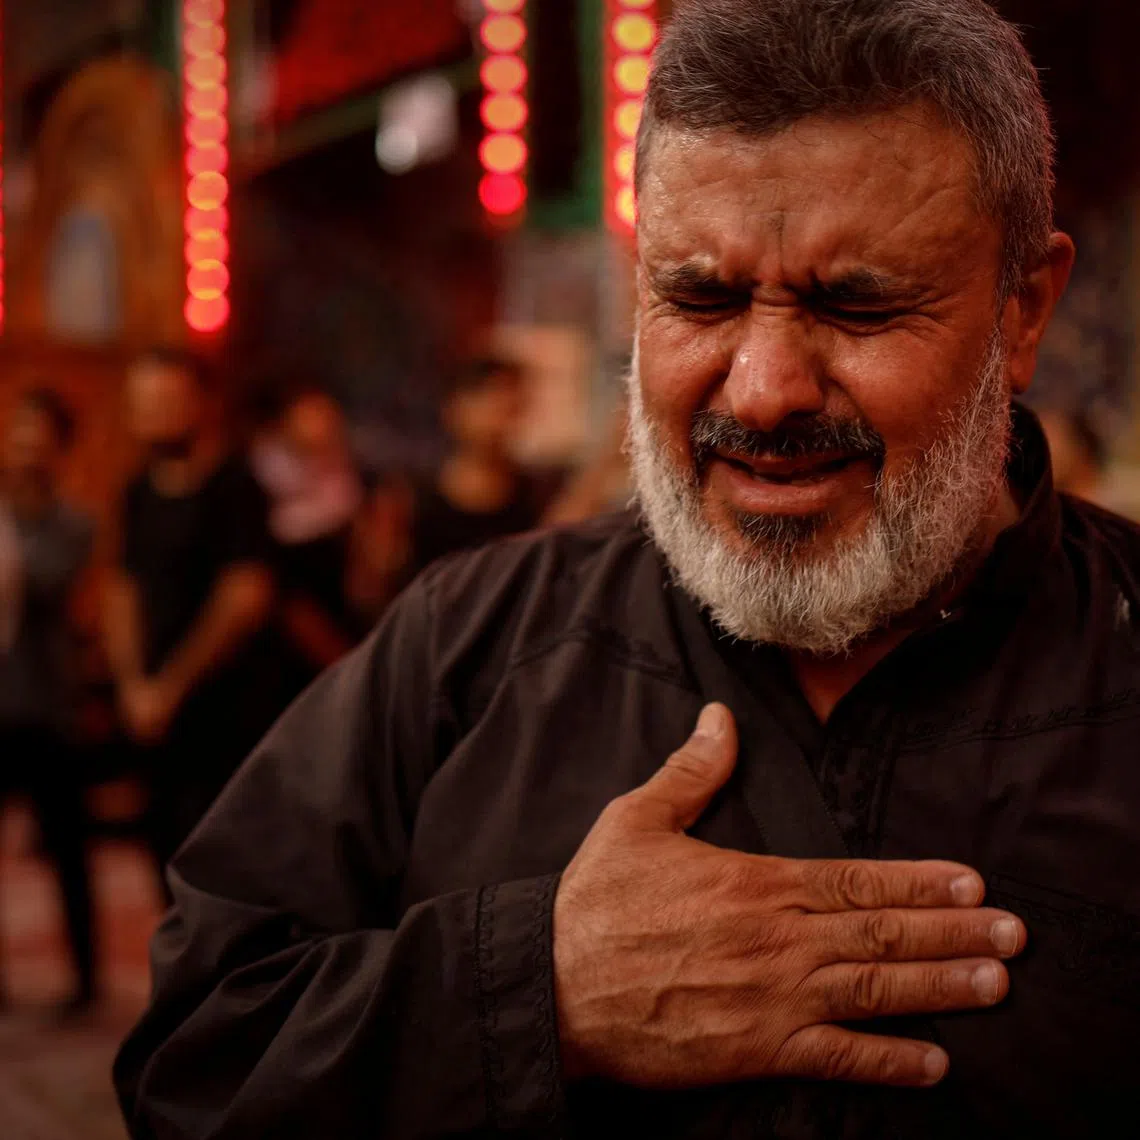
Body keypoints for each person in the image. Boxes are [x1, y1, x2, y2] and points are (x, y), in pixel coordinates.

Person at [113, 2, 1140, 1135]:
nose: (764, 391)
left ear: (1022, 309)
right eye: (700, 298)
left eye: (857, 305)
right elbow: (194, 1063)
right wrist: (537, 993)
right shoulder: (469, 647)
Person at [103, 348, 276, 902]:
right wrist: (133, 684)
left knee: (223, 868)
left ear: (202, 403)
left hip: (224, 710)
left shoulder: (236, 485)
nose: (149, 412)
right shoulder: (136, 489)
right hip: (153, 710)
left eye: (164, 399)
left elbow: (244, 595)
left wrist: (171, 686)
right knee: (164, 859)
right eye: (140, 401)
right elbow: (122, 587)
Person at [0, 388, 98, 1013]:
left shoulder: (74, 523)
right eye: (19, 434)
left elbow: (47, 582)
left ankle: (85, 979)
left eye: (39, 437)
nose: (26, 448)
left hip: (48, 706)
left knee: (67, 847)